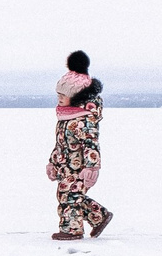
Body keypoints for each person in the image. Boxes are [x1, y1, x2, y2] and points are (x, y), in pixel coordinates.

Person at [46, 51, 112, 240]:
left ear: (76, 96)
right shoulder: (65, 117)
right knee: (68, 195)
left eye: (63, 95)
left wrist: (92, 167)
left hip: (80, 167)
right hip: (65, 166)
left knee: (70, 196)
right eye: (58, 94)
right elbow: (60, 143)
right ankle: (99, 216)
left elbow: (91, 143)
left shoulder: (83, 120)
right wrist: (52, 162)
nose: (59, 98)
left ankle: (72, 230)